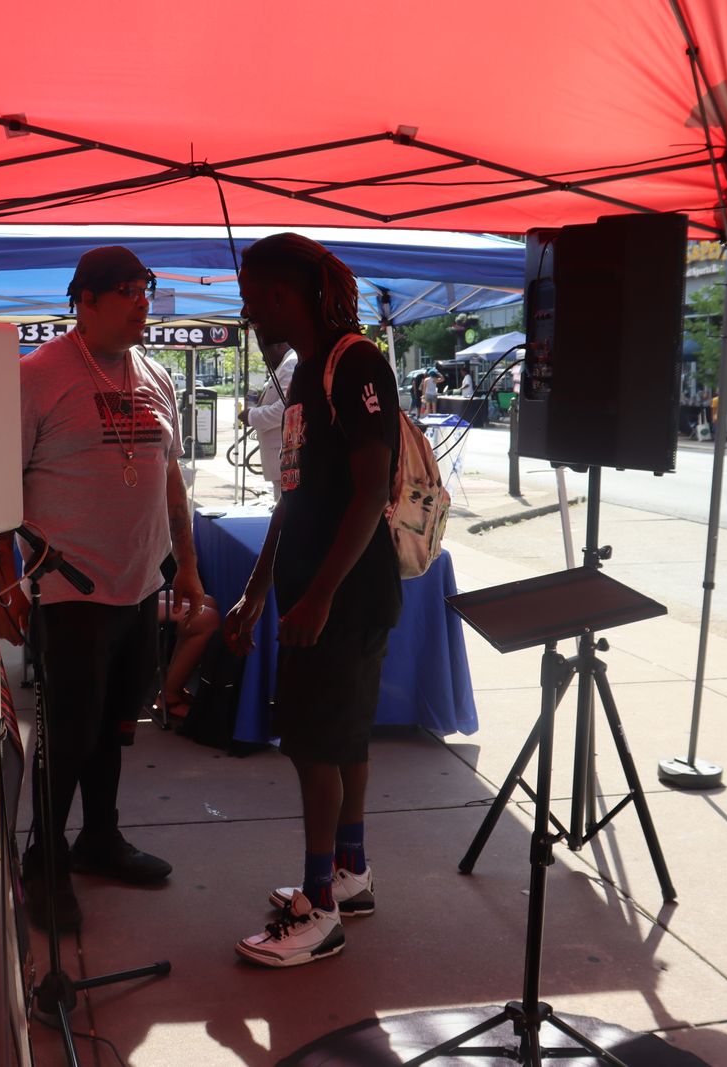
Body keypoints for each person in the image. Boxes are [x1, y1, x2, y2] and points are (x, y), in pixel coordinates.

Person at [225, 233, 401, 968]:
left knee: (316, 745)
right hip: (314, 592)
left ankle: (319, 907)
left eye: (250, 298)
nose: (247, 313)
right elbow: (292, 496)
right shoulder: (304, 375)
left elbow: (372, 489)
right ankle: (349, 872)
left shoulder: (356, 362)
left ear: (278, 294)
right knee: (342, 736)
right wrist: (257, 589)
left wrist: (320, 595)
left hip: (346, 595)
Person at [17, 245, 205, 930]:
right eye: (126, 290)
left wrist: (186, 565)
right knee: (68, 735)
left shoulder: (155, 374)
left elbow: (170, 475)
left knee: (115, 726)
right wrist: (7, 584)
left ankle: (99, 838)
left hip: (140, 583)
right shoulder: (37, 376)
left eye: (145, 288)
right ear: (85, 301)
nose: (141, 302)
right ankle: (43, 861)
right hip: (70, 591)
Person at [244, 342, 298, 501]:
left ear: (278, 346)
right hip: (278, 458)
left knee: (285, 504)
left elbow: (284, 408)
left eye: (265, 351)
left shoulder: (290, 363)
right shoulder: (285, 364)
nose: (263, 358)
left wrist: (251, 416)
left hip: (283, 455)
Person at [157, 593, 220, 720]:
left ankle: (172, 687)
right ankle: (169, 696)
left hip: (135, 594)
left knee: (206, 601)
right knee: (207, 619)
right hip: (122, 604)